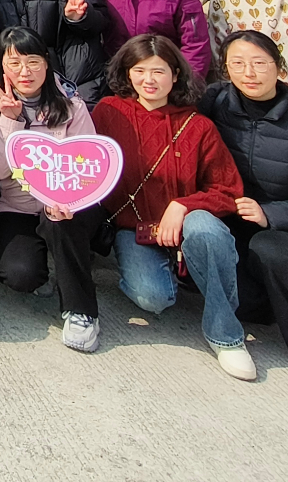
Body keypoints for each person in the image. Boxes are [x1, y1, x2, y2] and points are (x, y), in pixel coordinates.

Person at [92, 35, 253, 380]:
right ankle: (184, 272)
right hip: (135, 228)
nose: (148, 80)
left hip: (188, 225)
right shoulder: (108, 112)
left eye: (159, 71)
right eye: (139, 71)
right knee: (153, 298)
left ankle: (226, 336)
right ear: (127, 73)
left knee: (205, 228)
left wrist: (183, 205)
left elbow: (228, 190)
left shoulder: (197, 125)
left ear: (176, 74)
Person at [198, 30, 288, 376]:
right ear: (225, 69)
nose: (249, 73)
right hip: (236, 220)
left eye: (259, 63)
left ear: (279, 68)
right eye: (237, 64)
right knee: (215, 257)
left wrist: (270, 213)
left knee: (270, 250)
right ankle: (266, 301)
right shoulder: (214, 103)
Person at [0, 27, 107, 352]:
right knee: (20, 275)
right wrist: (9, 120)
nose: (24, 71)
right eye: (14, 63)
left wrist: (66, 199)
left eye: (33, 61)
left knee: (60, 222)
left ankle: (81, 312)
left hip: (67, 205)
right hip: (16, 206)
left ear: (47, 63)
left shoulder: (71, 105)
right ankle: (50, 263)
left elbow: (89, 167)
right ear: (2, 67)